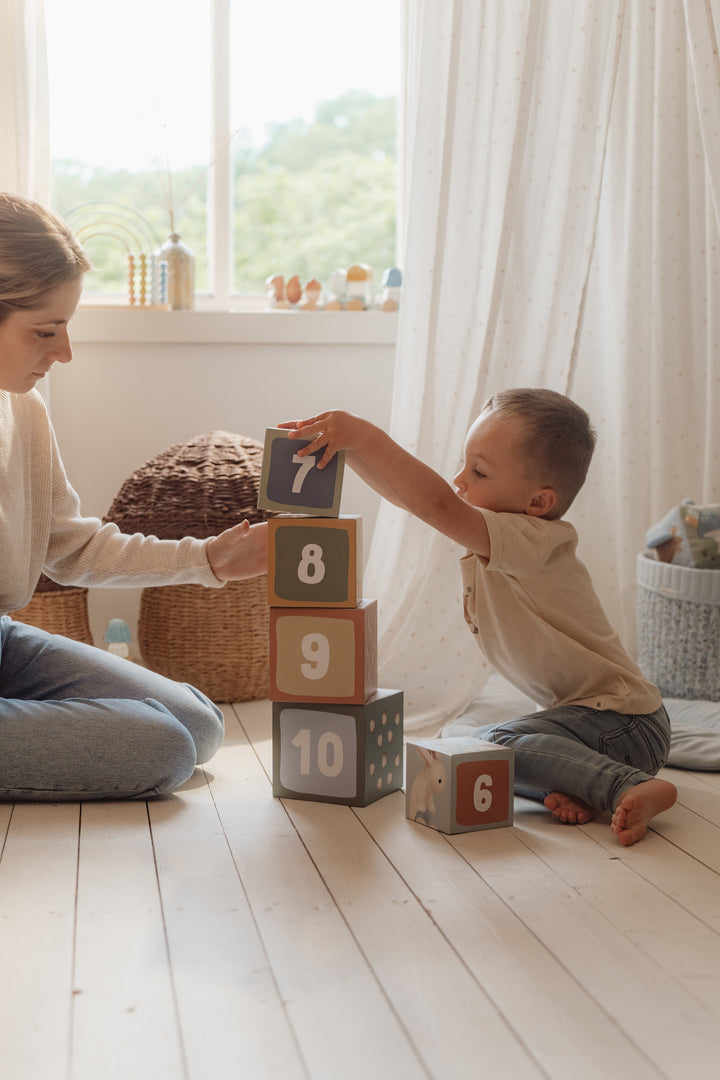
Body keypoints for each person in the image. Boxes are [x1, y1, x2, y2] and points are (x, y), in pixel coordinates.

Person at [280, 390, 678, 846]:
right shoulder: (507, 536)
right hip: (589, 726)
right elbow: (411, 501)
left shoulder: (530, 539)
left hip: (626, 724)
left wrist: (366, 436)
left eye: (479, 471)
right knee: (456, 741)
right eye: (465, 464)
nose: (459, 480)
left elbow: (435, 505)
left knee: (490, 743)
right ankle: (578, 785)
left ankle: (628, 785)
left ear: (538, 502)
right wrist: (347, 451)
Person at [0, 192, 267, 800]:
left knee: (197, 724)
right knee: (161, 747)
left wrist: (209, 559)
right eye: (45, 331)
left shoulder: (23, 409)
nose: (63, 353)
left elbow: (68, 547)